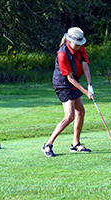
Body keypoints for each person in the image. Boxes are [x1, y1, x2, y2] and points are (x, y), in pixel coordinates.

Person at [41, 27, 94, 157]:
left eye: (80, 43)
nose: (79, 46)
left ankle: (75, 144)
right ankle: (48, 144)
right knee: (69, 116)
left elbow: (85, 65)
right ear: (69, 41)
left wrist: (89, 84)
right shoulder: (62, 54)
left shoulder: (80, 48)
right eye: (76, 43)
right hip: (63, 84)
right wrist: (85, 92)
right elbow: (69, 78)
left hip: (73, 81)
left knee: (81, 111)